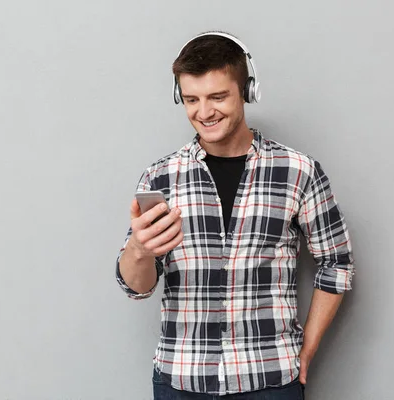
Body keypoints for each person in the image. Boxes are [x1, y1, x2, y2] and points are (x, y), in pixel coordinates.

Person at [116, 31, 355, 399]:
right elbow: (137, 286)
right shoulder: (159, 178)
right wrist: (138, 250)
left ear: (247, 91)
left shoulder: (298, 171)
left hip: (270, 380)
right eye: (192, 99)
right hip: (181, 381)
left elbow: (337, 263)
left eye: (217, 96)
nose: (204, 112)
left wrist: (306, 351)